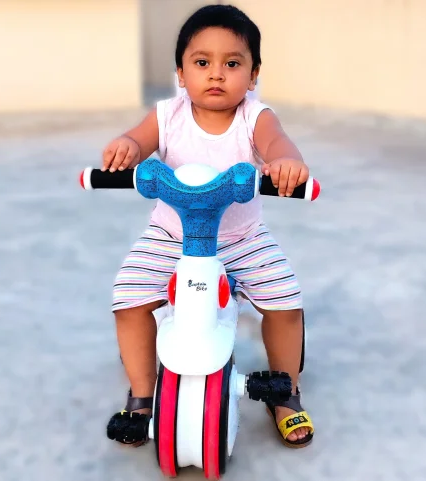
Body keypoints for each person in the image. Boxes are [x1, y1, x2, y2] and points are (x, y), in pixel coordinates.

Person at [102, 4, 314, 448]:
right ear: (181, 72)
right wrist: (127, 145)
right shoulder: (167, 115)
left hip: (241, 238)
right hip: (171, 236)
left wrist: (285, 160)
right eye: (202, 63)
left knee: (285, 300)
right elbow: (139, 140)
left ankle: (285, 390)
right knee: (129, 296)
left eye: (232, 64)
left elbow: (276, 142)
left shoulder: (254, 118)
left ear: (253, 75)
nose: (216, 74)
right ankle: (142, 393)